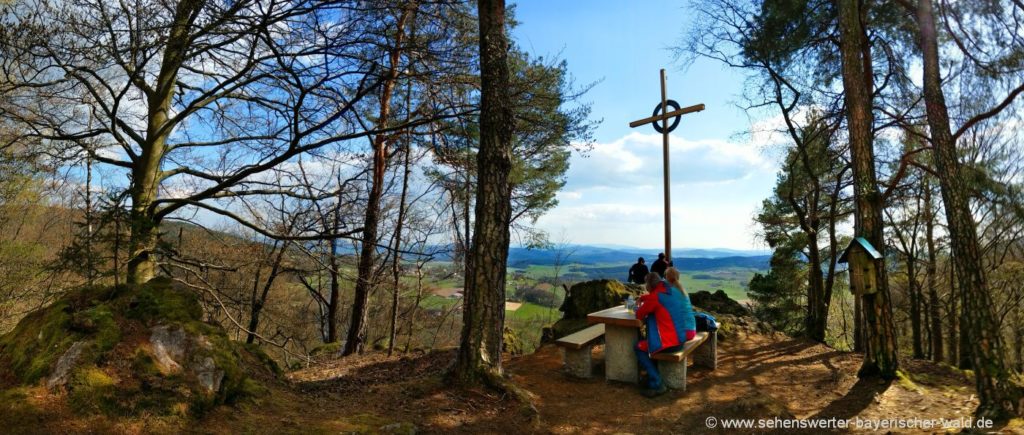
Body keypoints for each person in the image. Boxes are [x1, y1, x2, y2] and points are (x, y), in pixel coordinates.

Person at [634, 269, 697, 397]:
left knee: (639, 347)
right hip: (681, 337)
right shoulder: (669, 290)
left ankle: (657, 383)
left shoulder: (655, 297)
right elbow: (657, 299)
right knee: (649, 339)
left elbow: (639, 314)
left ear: (649, 286)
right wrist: (644, 297)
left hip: (672, 343)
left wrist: (642, 302)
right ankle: (653, 375)